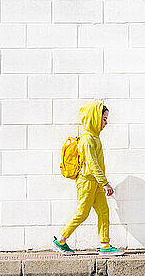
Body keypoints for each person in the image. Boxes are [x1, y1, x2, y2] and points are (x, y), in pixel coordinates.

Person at [53, 101, 124, 256]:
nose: (106, 122)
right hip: (86, 183)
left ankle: (105, 245)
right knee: (82, 213)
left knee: (104, 211)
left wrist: (101, 183)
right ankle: (60, 240)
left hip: (96, 183)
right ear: (94, 118)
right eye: (103, 119)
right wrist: (105, 183)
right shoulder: (87, 140)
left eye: (106, 119)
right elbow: (93, 164)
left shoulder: (95, 138)